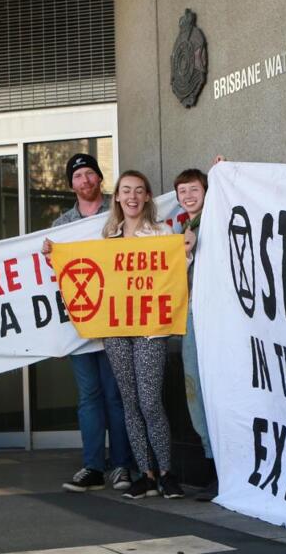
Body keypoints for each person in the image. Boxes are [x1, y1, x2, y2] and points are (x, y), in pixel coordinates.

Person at [43, 153, 134, 493]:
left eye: (90, 174)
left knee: (116, 395)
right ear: (72, 185)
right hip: (80, 323)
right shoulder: (61, 225)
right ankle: (93, 465)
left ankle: (122, 464)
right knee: (89, 397)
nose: (85, 181)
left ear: (99, 178)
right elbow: (54, 275)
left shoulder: (119, 210)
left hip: (115, 318)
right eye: (78, 176)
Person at [100, 170, 185, 500]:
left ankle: (167, 472)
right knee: (131, 403)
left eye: (139, 190)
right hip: (117, 331)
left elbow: (178, 269)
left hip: (150, 330)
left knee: (150, 402)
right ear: (118, 198)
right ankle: (146, 474)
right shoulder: (108, 240)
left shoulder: (160, 233)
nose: (132, 196)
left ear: (147, 196)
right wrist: (56, 258)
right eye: (126, 191)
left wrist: (186, 249)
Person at [174, 167, 218, 502]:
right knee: (196, 392)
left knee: (215, 389)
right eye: (182, 192)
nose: (189, 196)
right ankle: (211, 465)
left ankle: (221, 469)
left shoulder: (217, 217)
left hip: (214, 315)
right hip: (188, 317)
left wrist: (222, 172)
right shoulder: (181, 227)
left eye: (194, 190)